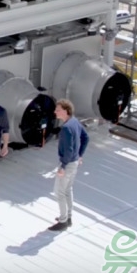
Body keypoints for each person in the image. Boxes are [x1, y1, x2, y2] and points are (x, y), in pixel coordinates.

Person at [49, 99, 89, 232]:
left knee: (59, 192)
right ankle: (68, 216)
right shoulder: (75, 121)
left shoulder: (66, 128)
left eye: (58, 110)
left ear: (66, 111)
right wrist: (80, 155)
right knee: (67, 190)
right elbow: (86, 138)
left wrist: (63, 166)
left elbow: (69, 150)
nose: (55, 112)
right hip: (74, 162)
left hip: (68, 163)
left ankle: (63, 221)